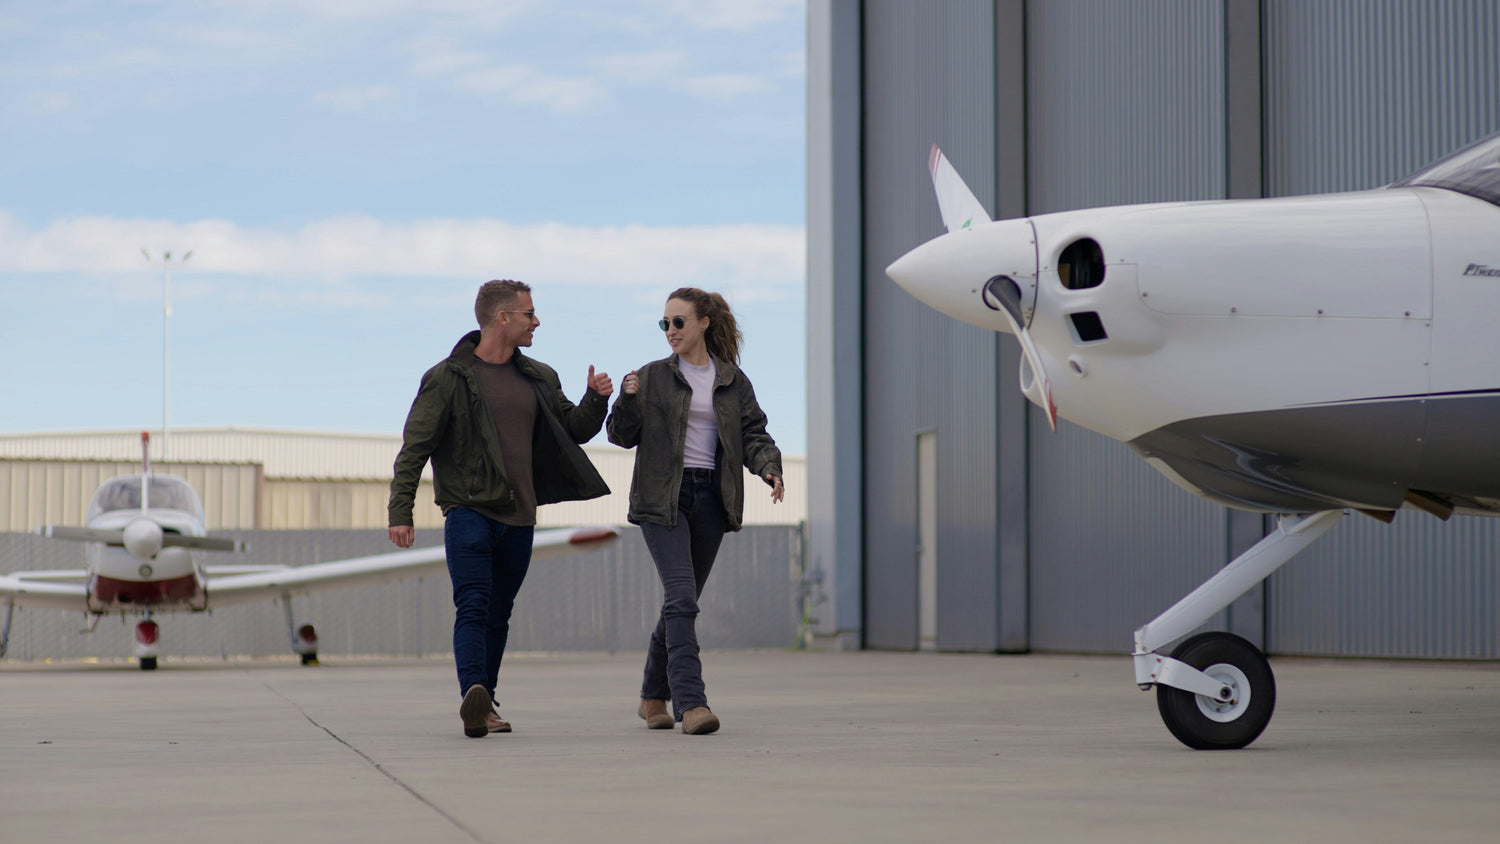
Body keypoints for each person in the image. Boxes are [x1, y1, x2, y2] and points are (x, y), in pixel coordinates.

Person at [388, 279, 613, 738]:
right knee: (473, 603)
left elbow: (573, 429)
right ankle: (475, 690)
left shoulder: (539, 376)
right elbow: (415, 447)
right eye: (529, 313)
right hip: (469, 511)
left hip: (520, 515)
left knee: (499, 611)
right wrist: (400, 510)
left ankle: (484, 703)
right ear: (502, 318)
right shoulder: (448, 377)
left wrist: (597, 398)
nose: (537, 321)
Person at [606, 287, 783, 735]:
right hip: (662, 500)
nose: (670, 331)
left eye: (678, 322)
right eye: (664, 324)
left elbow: (753, 433)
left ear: (703, 322)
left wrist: (769, 469)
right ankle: (691, 704)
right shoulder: (649, 378)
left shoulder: (732, 381)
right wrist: (626, 399)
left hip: (710, 500)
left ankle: (651, 697)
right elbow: (620, 436)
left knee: (680, 604)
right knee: (682, 599)